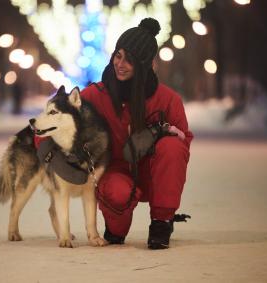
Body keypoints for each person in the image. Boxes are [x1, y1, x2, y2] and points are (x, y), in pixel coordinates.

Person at [80, 18, 193, 249]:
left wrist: (157, 136)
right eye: (117, 56)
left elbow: (184, 144)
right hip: (115, 172)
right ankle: (116, 226)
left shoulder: (167, 99)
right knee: (116, 202)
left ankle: (161, 222)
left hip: (152, 172)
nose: (120, 64)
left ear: (144, 64)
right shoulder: (95, 95)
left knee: (173, 145)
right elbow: (62, 118)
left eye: (129, 60)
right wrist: (42, 143)